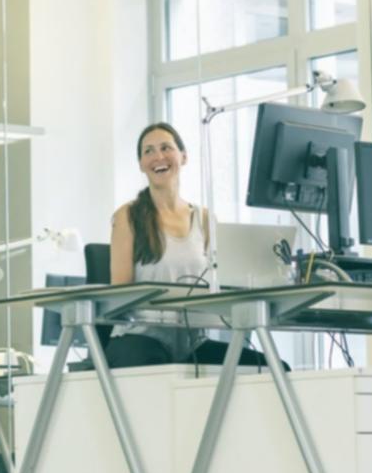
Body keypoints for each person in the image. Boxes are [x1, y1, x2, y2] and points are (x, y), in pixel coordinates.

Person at [104, 122, 270, 369]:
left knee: (266, 367)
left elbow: (221, 282)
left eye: (165, 148)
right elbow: (120, 294)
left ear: (183, 156)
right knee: (157, 372)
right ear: (141, 164)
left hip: (192, 342)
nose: (158, 156)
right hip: (139, 337)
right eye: (148, 151)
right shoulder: (127, 216)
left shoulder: (204, 219)